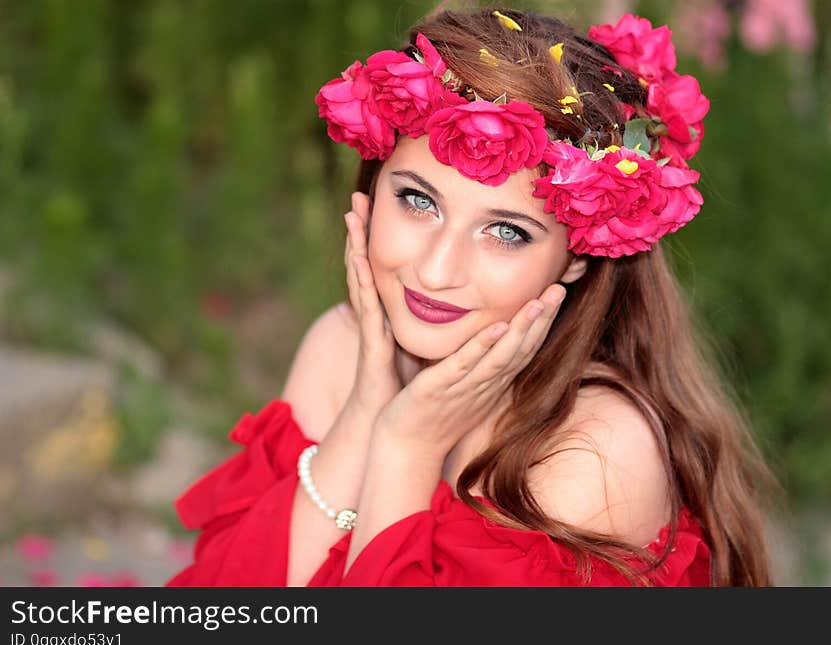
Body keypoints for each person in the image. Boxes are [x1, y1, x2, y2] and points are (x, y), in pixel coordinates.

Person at [166, 7, 774, 587]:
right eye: (418, 201)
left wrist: (407, 445)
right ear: (372, 192)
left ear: (579, 255)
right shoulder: (341, 348)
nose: (435, 271)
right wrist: (364, 410)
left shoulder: (594, 448)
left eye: (506, 232)